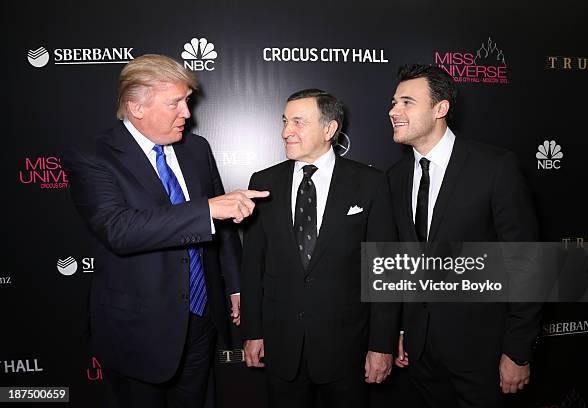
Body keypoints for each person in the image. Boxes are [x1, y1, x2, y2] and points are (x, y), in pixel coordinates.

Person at [62, 54, 268, 408]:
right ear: (136, 107)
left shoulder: (196, 149)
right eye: (175, 103)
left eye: (187, 101)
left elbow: (223, 229)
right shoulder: (93, 156)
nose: (187, 113)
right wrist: (206, 209)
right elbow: (119, 229)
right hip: (138, 329)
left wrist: (236, 286)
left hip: (201, 320)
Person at [386, 64, 542, 407]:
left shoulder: (495, 167)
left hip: (483, 352)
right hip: (420, 352)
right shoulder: (394, 178)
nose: (393, 111)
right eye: (394, 102)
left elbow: (527, 263)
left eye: (406, 102)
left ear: (440, 109)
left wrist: (517, 350)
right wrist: (398, 329)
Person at [241, 89, 399, 408]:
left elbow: (383, 272)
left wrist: (381, 346)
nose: (287, 131)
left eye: (298, 122)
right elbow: (252, 265)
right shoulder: (263, 181)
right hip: (282, 346)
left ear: (329, 130)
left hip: (346, 349)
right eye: (285, 121)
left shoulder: (370, 183)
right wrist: (253, 332)